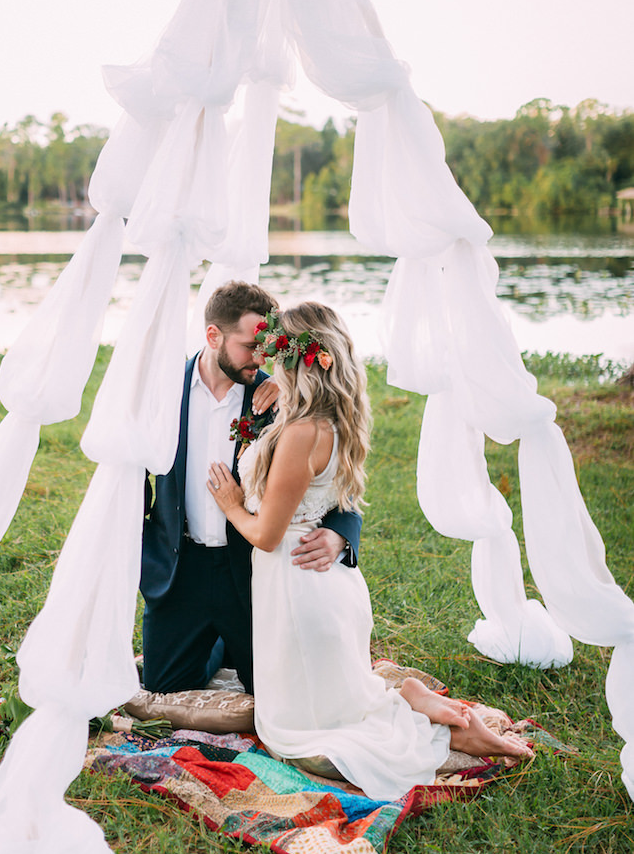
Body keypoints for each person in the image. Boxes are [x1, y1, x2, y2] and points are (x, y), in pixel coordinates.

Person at [207, 301, 533, 801]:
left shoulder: (299, 433)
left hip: (298, 586)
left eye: (276, 351)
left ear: (298, 359)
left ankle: (442, 727)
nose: (268, 360)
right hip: (323, 585)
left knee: (296, 740)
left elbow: (268, 534)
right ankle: (414, 704)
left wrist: (231, 503)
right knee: (331, 712)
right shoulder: (329, 421)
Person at [140, 282, 361, 696]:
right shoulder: (162, 392)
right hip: (178, 567)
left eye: (267, 347)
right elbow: (132, 477)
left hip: (253, 574)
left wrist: (340, 533)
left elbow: (336, 477)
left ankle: (233, 641)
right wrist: (139, 546)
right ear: (213, 336)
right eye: (249, 346)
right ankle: (214, 644)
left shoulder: (285, 400)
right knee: (163, 685)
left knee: (274, 692)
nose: (261, 358)